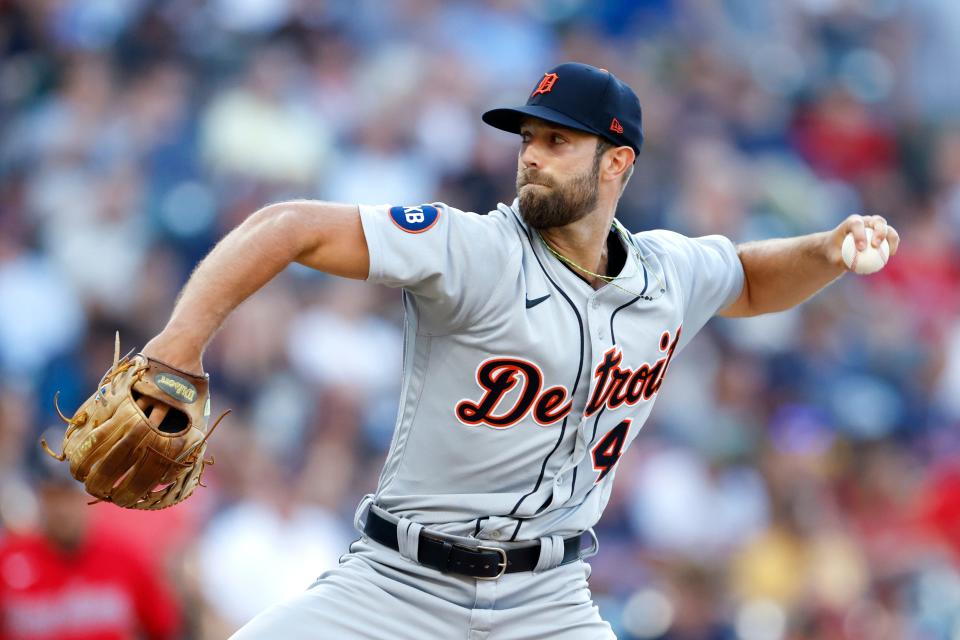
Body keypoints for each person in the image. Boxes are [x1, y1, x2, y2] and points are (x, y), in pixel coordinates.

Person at [140, 62, 900, 639]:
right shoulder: (470, 249)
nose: (531, 155)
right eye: (528, 138)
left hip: (549, 602)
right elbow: (291, 224)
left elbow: (751, 279)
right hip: (396, 588)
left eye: (557, 140)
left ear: (617, 163)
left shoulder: (667, 274)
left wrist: (828, 248)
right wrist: (179, 346)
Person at [0, 464, 181, 640]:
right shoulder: (9, 561)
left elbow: (163, 627)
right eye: (53, 496)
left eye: (70, 497)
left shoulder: (125, 556)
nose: (62, 510)